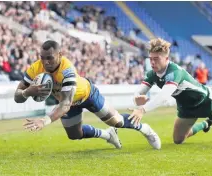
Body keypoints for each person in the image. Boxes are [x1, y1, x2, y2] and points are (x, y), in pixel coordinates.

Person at [14, 40, 161, 149]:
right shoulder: (35, 68)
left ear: (60, 55)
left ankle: (145, 129)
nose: (45, 62)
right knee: (74, 135)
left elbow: (65, 104)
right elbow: (17, 96)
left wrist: (44, 121)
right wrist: (27, 92)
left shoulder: (67, 70)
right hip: (68, 103)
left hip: (87, 94)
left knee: (117, 122)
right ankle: (108, 135)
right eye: (42, 58)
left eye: (50, 58)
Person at [129, 38, 212, 144]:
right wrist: (137, 98)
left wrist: (143, 110)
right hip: (186, 108)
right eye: (151, 59)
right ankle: (206, 123)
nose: (153, 62)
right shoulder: (152, 74)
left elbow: (164, 96)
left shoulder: (175, 72)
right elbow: (139, 91)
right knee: (178, 140)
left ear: (166, 58)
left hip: (206, 102)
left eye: (156, 59)